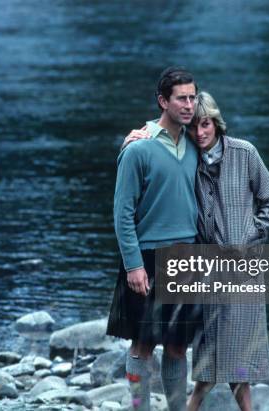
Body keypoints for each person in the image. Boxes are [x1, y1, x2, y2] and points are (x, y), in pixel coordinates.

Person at [122, 91, 269, 411]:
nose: (200, 132)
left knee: (240, 352)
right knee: (206, 351)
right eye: (194, 126)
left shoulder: (245, 153)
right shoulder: (184, 158)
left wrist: (248, 236)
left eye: (206, 124)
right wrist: (135, 138)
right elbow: (149, 164)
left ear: (216, 123)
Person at [107, 67, 200, 411]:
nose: (189, 105)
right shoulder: (137, 150)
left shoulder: (194, 144)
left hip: (187, 256)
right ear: (163, 101)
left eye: (193, 97)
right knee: (142, 345)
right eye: (181, 98)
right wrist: (133, 265)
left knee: (178, 346)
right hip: (146, 258)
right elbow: (122, 213)